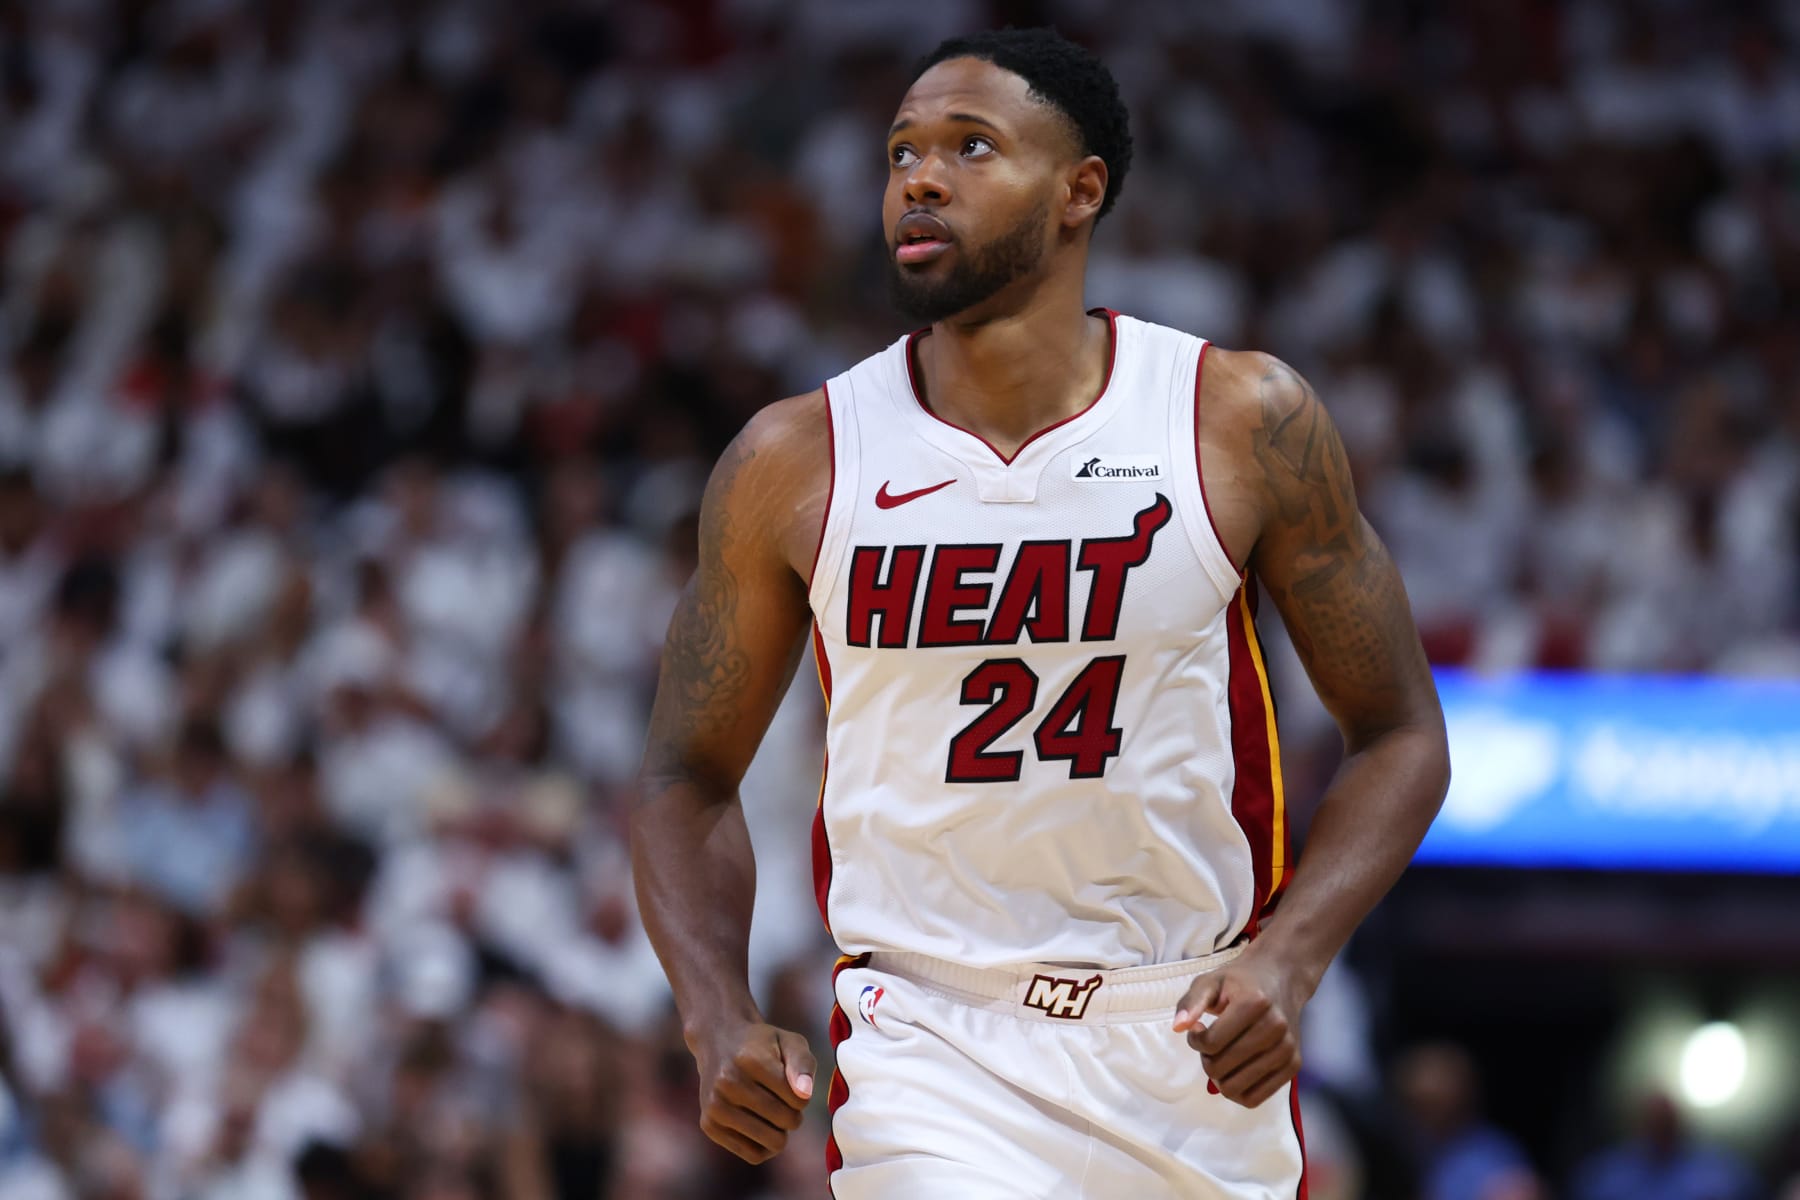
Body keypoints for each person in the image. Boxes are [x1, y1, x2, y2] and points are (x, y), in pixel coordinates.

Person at [632, 27, 1450, 1198]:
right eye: (902, 150)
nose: (919, 176)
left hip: (1188, 1040)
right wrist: (714, 1013)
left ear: (1081, 192)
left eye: (971, 147)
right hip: (930, 1038)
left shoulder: (1237, 419)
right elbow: (683, 775)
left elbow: (1402, 733)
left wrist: (1294, 958)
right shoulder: (795, 460)